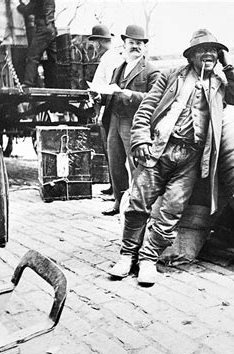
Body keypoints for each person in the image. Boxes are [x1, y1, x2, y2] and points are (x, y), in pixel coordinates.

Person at [107, 29, 234, 285]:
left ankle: (149, 259)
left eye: (213, 50)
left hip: (190, 159)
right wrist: (141, 138)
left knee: (171, 211)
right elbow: (146, 108)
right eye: (201, 50)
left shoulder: (220, 83)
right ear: (191, 56)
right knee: (138, 203)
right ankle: (127, 255)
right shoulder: (170, 76)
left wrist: (228, 65)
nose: (208, 54)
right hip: (159, 150)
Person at [99, 25, 160, 216]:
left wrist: (130, 94)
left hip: (135, 123)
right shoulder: (119, 68)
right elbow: (111, 91)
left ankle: (139, 207)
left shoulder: (151, 71)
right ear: (124, 45)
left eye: (139, 43)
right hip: (115, 121)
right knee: (115, 164)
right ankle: (119, 202)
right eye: (131, 43)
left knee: (137, 167)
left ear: (145, 47)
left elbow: (156, 98)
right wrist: (100, 97)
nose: (135, 46)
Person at [88, 24, 124, 196]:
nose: (93, 46)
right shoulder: (113, 56)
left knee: (112, 150)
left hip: (108, 106)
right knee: (110, 150)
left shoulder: (109, 58)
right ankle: (114, 186)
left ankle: (117, 189)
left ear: (99, 42)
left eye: (94, 42)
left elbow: (110, 85)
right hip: (108, 105)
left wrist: (99, 109)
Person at [17, 0, 57, 88]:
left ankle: (28, 83)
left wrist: (19, 6)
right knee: (53, 60)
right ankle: (55, 85)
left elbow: (28, 9)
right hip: (51, 28)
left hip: (43, 29)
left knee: (32, 56)